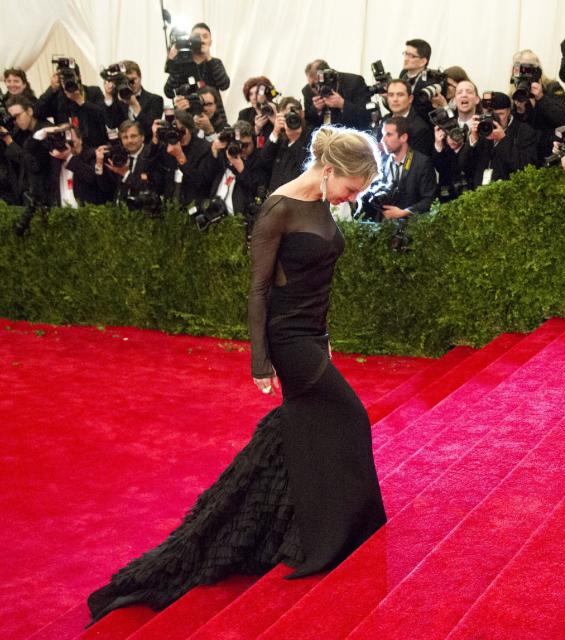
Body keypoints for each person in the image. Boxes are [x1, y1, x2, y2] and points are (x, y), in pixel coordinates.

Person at [87, 125, 386, 622]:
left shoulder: (322, 204)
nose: (353, 197)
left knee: (308, 427)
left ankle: (307, 530)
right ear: (330, 170)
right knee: (348, 416)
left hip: (311, 334)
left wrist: (326, 333)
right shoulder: (279, 208)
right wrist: (259, 359)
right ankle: (333, 533)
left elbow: (318, 279)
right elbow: (259, 290)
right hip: (287, 339)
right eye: (352, 187)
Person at [359, 116, 437, 221]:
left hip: (411, 226)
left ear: (403, 137)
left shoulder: (422, 163)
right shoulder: (380, 161)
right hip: (382, 224)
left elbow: (429, 199)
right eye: (383, 134)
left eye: (389, 135)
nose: (383, 140)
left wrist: (403, 212)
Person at [508, 49, 565, 164]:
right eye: (520, 67)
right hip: (528, 152)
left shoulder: (552, 87)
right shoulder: (515, 93)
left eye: (529, 67)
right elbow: (514, 129)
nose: (525, 72)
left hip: (551, 149)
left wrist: (541, 98)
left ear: (538, 70)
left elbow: (561, 117)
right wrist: (520, 110)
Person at [163, 22, 230, 99]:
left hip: (213, 109)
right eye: (197, 37)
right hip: (188, 109)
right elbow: (169, 92)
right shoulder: (182, 63)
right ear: (190, 40)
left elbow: (224, 86)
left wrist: (208, 58)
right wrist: (173, 61)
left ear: (210, 42)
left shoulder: (215, 62)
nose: (201, 40)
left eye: (205, 37)